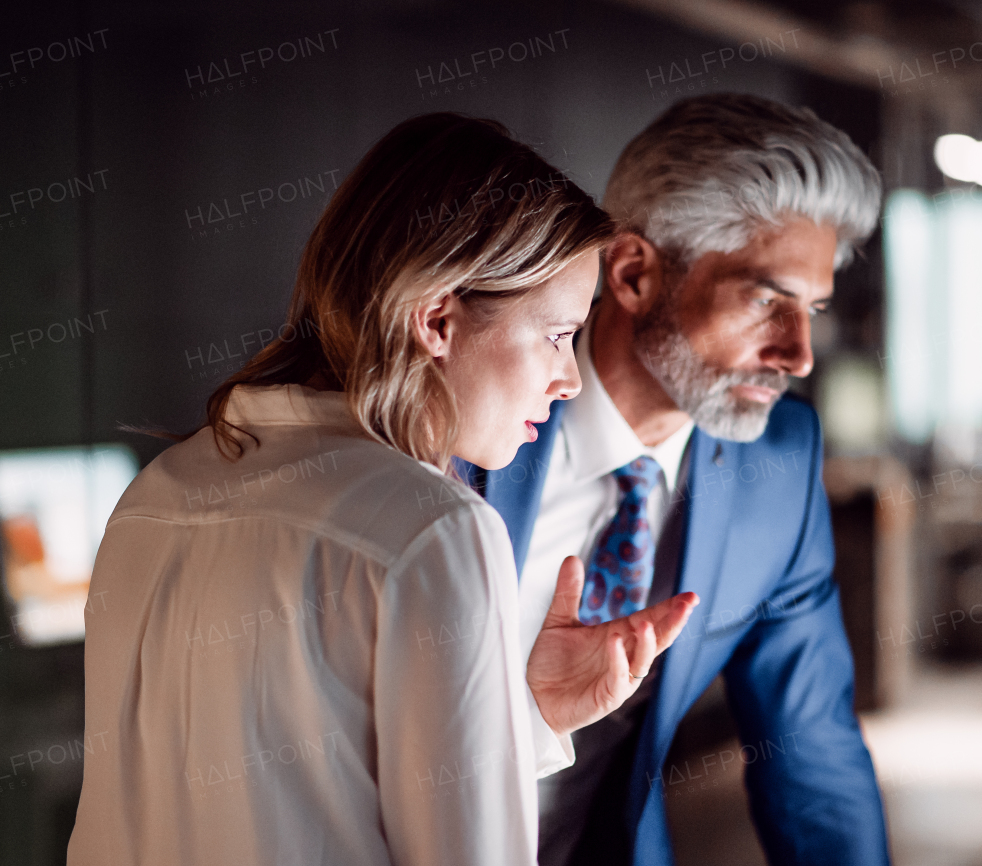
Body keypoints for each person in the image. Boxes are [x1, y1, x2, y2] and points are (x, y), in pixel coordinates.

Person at [66, 113, 699, 866]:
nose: (568, 381)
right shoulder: (436, 528)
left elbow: (276, 796)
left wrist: (520, 716)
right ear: (437, 319)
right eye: (559, 335)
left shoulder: (155, 496)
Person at [463, 94, 889, 865]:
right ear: (632, 273)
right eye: (767, 301)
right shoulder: (464, 414)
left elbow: (812, 749)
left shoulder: (777, 463)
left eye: (813, 309)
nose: (800, 356)